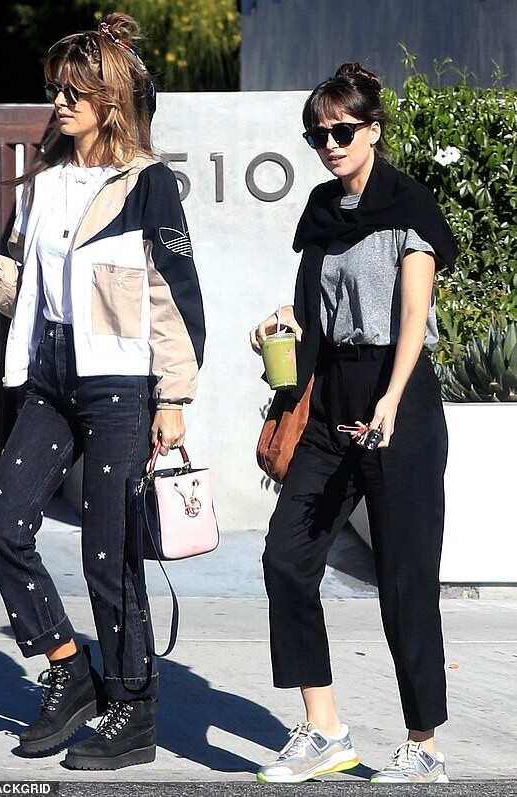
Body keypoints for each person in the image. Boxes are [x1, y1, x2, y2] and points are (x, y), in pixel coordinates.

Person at [0, 11, 205, 771]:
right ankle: (69, 669)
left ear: (111, 99)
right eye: (55, 90)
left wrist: (174, 398)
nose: (60, 103)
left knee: (109, 553)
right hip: (51, 373)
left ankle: (133, 708)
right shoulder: (44, 183)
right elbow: (36, 291)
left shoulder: (146, 183)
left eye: (74, 92)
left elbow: (174, 295)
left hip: (120, 384)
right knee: (2, 527)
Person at [249, 63, 458, 784]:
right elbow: (317, 308)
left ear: (372, 129)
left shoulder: (409, 207)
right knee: (286, 559)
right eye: (318, 135)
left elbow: (412, 315)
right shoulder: (321, 211)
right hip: (330, 397)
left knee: (405, 580)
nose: (330, 145)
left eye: (342, 131)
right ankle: (325, 729)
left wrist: (393, 398)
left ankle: (424, 744)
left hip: (399, 397)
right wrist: (281, 322)